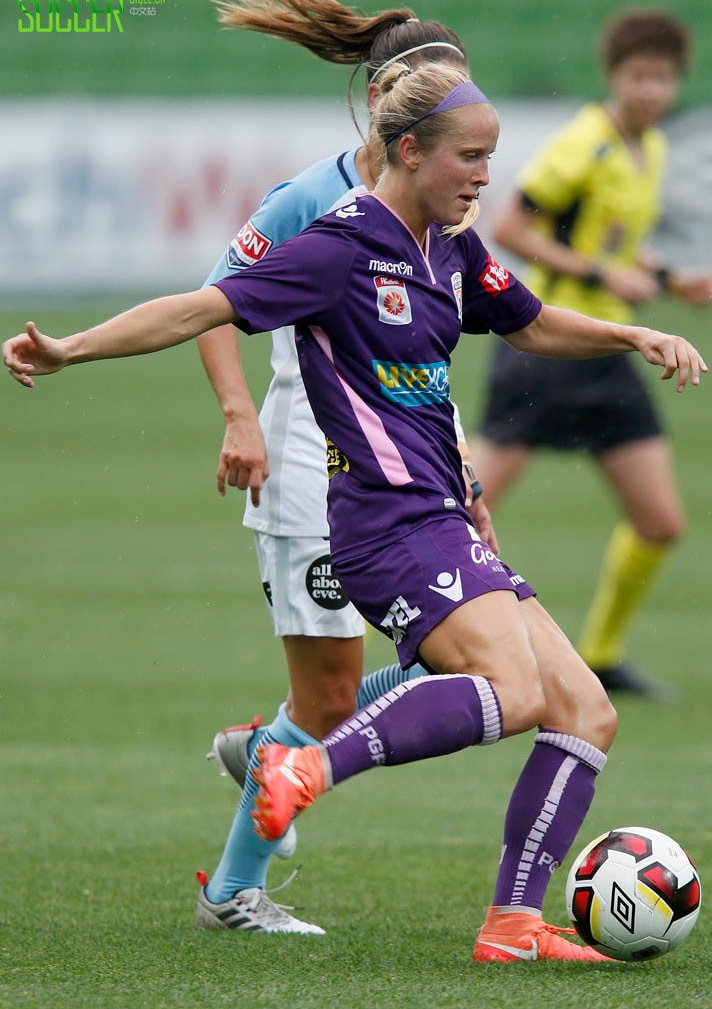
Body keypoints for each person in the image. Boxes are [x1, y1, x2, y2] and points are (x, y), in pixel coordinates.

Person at [4, 62, 706, 963]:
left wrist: (632, 332)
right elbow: (199, 308)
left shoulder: (450, 245)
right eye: (470, 158)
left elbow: (527, 321)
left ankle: (513, 925)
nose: (485, 177)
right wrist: (69, 349)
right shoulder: (339, 245)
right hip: (386, 528)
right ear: (408, 151)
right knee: (516, 690)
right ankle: (300, 763)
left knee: (585, 713)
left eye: (490, 157)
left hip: (444, 517)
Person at [195, 0, 489, 933]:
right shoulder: (310, 199)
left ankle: (263, 742)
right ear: (387, 103)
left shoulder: (444, 214)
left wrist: (467, 478)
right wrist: (239, 415)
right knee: (329, 700)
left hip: (412, 475)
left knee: (473, 656)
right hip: (307, 469)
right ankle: (234, 893)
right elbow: (211, 306)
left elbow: (428, 361)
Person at [470, 9, 712, 699]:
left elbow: (613, 243)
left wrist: (666, 279)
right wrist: (601, 276)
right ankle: (391, 644)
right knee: (461, 519)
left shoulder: (652, 149)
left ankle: (600, 655)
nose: (651, 91)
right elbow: (512, 225)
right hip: (545, 349)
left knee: (660, 522)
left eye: (663, 79)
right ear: (613, 77)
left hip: (608, 356)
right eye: (639, 76)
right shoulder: (585, 142)